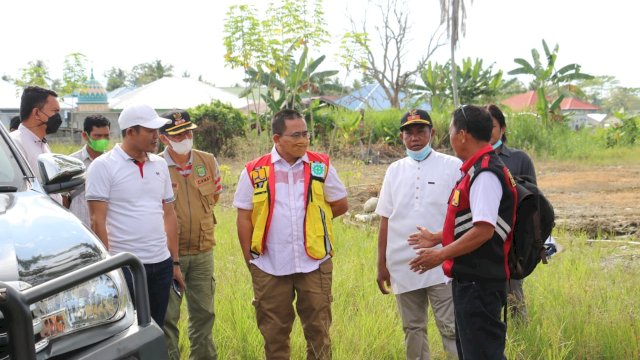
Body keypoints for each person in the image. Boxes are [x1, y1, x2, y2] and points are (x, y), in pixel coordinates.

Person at [233, 109, 349, 360]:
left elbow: (340, 204)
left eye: (306, 134)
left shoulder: (321, 165)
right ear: (276, 139)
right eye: (295, 135)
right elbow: (244, 217)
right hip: (269, 265)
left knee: (319, 332)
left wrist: (315, 226)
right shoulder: (254, 171)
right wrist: (251, 262)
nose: (303, 140)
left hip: (314, 263)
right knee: (274, 336)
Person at [408, 105, 517, 359]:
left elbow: (483, 231)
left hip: (479, 284)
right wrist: (437, 237)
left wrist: (440, 254)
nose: (451, 136)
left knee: (481, 354)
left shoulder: (486, 173)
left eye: (452, 130)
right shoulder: (476, 169)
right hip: (473, 281)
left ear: (463, 135)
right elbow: (472, 221)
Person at [85, 103, 185, 327]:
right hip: (126, 266)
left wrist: (174, 262)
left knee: (156, 326)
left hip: (161, 263)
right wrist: (109, 269)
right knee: (127, 330)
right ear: (130, 132)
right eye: (150, 131)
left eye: (157, 131)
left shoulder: (159, 165)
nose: (157, 137)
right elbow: (97, 221)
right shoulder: (103, 166)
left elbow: (168, 214)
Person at [375, 109, 461, 359]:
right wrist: (382, 264)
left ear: (432, 133)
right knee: (412, 329)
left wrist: (442, 244)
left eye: (420, 131)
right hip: (403, 264)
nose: (415, 138)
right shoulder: (394, 170)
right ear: (401, 137)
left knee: (451, 328)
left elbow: (462, 216)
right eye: (408, 132)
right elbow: (385, 219)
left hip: (441, 261)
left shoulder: (452, 166)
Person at [159, 109, 221, 360]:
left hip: (203, 251)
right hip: (167, 255)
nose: (186, 136)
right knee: (167, 319)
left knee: (204, 315)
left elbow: (214, 197)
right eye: (178, 134)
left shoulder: (208, 161)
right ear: (164, 138)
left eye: (188, 131)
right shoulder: (156, 167)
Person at [486, 104, 536, 320]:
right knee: (487, 294)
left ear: (503, 128)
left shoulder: (519, 159)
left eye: (493, 126)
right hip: (483, 235)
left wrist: (535, 239)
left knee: (514, 291)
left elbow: (533, 200)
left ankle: (520, 339)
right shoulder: (470, 159)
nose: (488, 130)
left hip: (514, 238)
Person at [10, 86, 63, 204]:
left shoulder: (42, 144)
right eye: (55, 111)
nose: (58, 117)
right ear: (37, 113)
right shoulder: (15, 144)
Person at [66, 114, 111, 227]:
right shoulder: (71, 162)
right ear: (85, 136)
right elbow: (63, 198)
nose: (102, 140)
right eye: (97, 136)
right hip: (79, 227)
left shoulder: (113, 162)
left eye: (106, 136)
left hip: (107, 229)